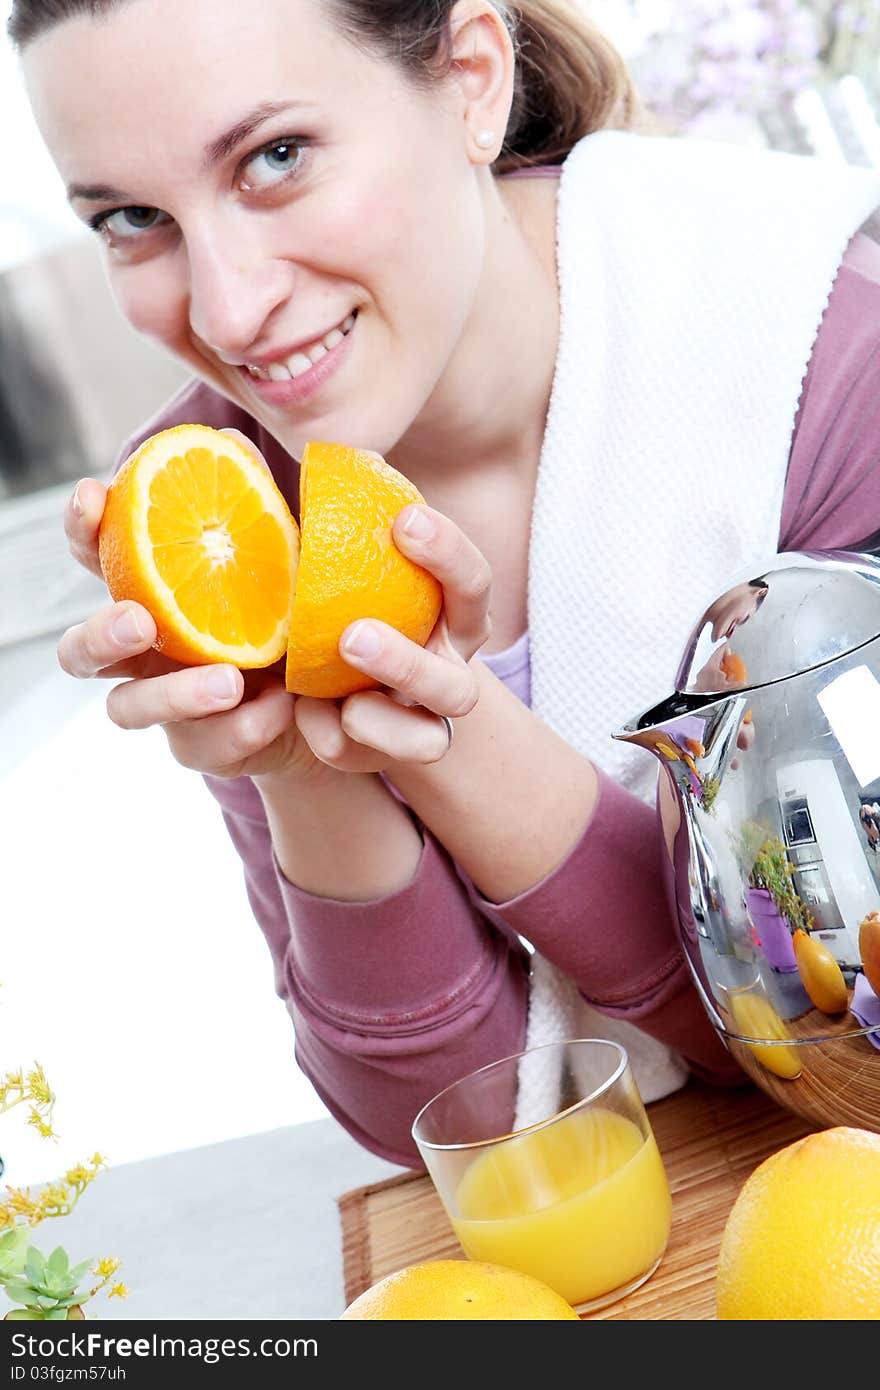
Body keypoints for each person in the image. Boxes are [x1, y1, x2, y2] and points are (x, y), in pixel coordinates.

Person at [11, 0, 880, 1166]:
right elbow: (450, 1131)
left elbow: (825, 1020)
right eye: (130, 218)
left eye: (275, 158)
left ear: (471, 80)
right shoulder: (212, 514)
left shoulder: (812, 354)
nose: (226, 310)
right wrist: (301, 767)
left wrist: (459, 740)